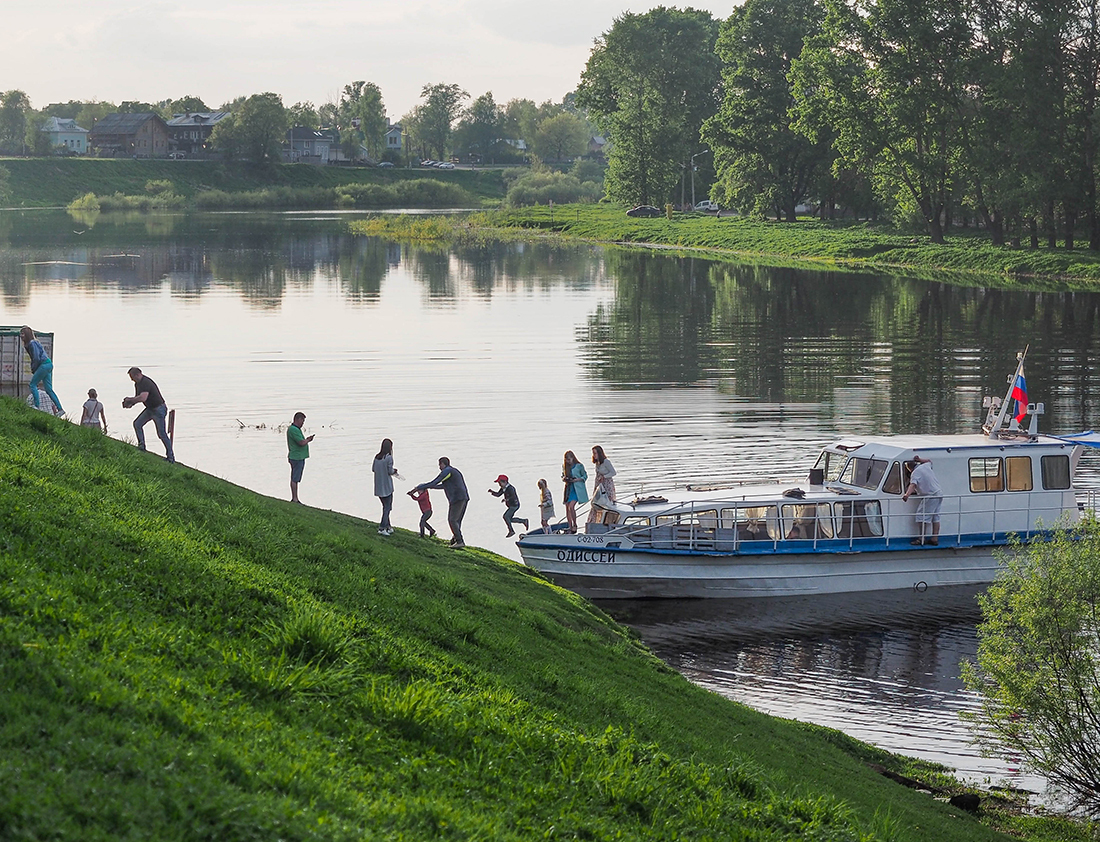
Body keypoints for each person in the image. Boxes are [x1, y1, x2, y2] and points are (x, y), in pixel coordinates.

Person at [122, 367, 174, 463]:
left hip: (158, 409)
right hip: (150, 409)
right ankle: (142, 446)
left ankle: (170, 457)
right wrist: (131, 404)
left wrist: (129, 399)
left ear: (138, 374)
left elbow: (143, 397)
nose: (131, 379)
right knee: (137, 424)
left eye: (132, 377)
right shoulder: (137, 384)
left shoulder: (146, 382)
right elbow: (138, 398)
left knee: (161, 434)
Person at [415, 457, 469, 548]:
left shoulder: (447, 471)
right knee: (457, 520)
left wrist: (421, 487)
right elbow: (443, 486)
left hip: (457, 498)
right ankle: (454, 540)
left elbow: (435, 481)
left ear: (443, 464)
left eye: (440, 465)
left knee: (452, 520)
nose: (439, 467)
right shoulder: (452, 472)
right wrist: (430, 487)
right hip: (463, 497)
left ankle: (460, 541)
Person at [20, 326, 64, 416]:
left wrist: (34, 368)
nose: (21, 336)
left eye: (23, 333)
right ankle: (60, 409)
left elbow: (36, 358)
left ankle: (36, 406)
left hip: (43, 365)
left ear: (27, 335)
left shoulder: (32, 343)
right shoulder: (33, 343)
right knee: (49, 389)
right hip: (48, 364)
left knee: (32, 385)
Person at [902, 454, 943, 546]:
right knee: (935, 516)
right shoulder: (925, 466)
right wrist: (920, 459)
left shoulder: (915, 473)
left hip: (930, 495)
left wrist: (906, 495)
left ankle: (921, 539)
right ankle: (934, 538)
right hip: (939, 493)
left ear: (909, 468)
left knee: (921, 516)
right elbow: (929, 461)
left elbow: (913, 485)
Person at [373, 438, 400, 536]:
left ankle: (388, 526)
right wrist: (394, 471)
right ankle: (382, 527)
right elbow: (390, 471)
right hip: (387, 487)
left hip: (378, 486)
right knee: (387, 508)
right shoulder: (389, 458)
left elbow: (373, 469)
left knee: (385, 507)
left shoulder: (377, 457)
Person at [287, 412, 313, 504]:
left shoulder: (296, 429)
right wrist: (308, 440)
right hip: (296, 457)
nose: (303, 423)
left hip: (298, 457)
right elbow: (301, 443)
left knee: (295, 478)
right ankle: (295, 498)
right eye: (302, 420)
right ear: (298, 419)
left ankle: (295, 498)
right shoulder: (293, 430)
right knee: (295, 478)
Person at [588, 445, 618, 523]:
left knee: (607, 503)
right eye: (593, 453)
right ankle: (593, 521)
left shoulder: (606, 462)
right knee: (596, 503)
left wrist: (604, 476)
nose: (594, 455)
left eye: (595, 453)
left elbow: (613, 472)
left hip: (607, 484)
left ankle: (608, 521)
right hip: (599, 484)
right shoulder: (597, 463)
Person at [562, 450, 588, 534]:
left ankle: (575, 525)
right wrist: (564, 478)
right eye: (566, 460)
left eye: (569, 459)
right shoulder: (565, 467)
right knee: (567, 507)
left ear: (573, 458)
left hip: (577, 489)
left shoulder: (579, 466)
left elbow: (585, 475)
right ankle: (570, 526)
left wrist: (578, 479)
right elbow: (563, 475)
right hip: (568, 488)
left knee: (571, 506)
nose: (568, 462)